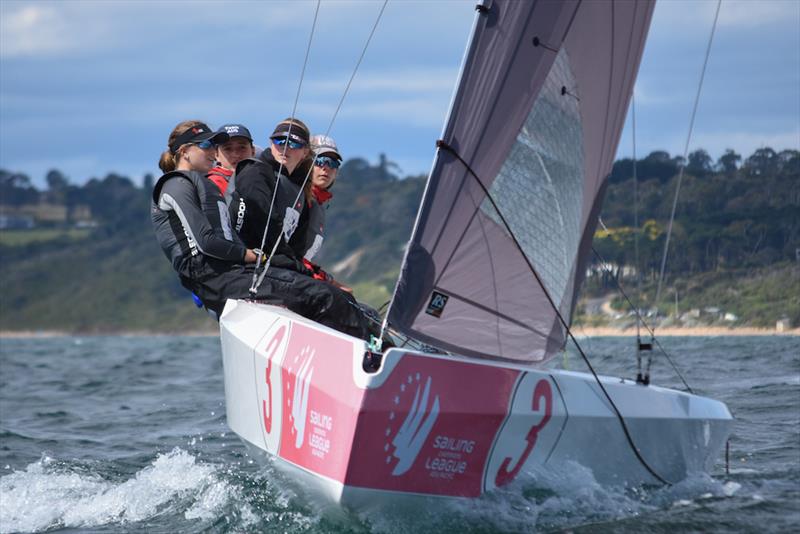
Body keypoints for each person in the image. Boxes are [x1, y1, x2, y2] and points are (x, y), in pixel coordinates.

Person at [151, 120, 375, 340]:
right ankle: (366, 363)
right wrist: (248, 255)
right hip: (214, 277)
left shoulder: (202, 183)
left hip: (231, 272)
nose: (213, 152)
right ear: (185, 152)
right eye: (208, 146)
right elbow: (206, 241)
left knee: (337, 300)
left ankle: (376, 354)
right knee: (324, 296)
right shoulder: (176, 184)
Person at [300, 134, 351, 292]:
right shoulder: (298, 197)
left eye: (332, 163)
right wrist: (323, 280)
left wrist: (327, 278)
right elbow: (290, 254)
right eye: (319, 161)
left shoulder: (319, 203)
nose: (326, 168)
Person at [207, 123, 255, 195]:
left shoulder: (266, 178)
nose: (235, 154)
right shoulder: (210, 184)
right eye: (228, 149)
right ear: (216, 154)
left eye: (242, 147)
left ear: (253, 151)